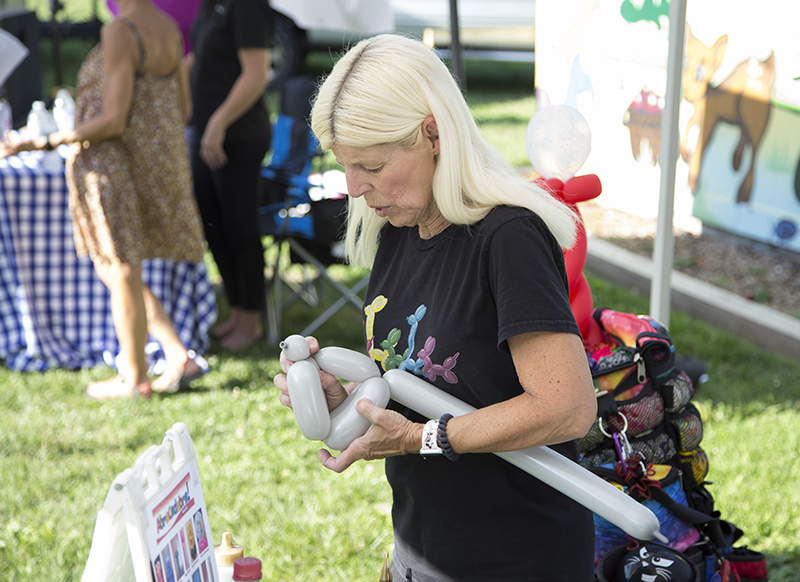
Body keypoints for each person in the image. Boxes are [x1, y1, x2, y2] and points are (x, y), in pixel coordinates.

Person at [274, 34, 598, 581]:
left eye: (370, 166)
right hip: (424, 550)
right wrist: (350, 401)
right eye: (345, 166)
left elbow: (566, 407)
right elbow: (426, 380)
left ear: (433, 134)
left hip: (515, 559)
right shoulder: (398, 229)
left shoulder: (508, 237)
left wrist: (422, 438)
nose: (354, 187)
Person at [0, 0, 209, 399]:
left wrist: (40, 141)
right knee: (115, 270)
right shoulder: (166, 26)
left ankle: (134, 378)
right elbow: (183, 108)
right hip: (153, 162)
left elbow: (112, 119)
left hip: (112, 165)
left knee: (120, 269)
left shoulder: (120, 31)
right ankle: (177, 353)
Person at [186, 0, 273, 351]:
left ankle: (251, 318)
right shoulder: (211, 5)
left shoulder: (246, 5)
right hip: (205, 132)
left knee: (240, 227)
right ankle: (237, 309)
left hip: (237, 135)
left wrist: (218, 124)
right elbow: (200, 62)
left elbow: (257, 73)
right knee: (213, 225)